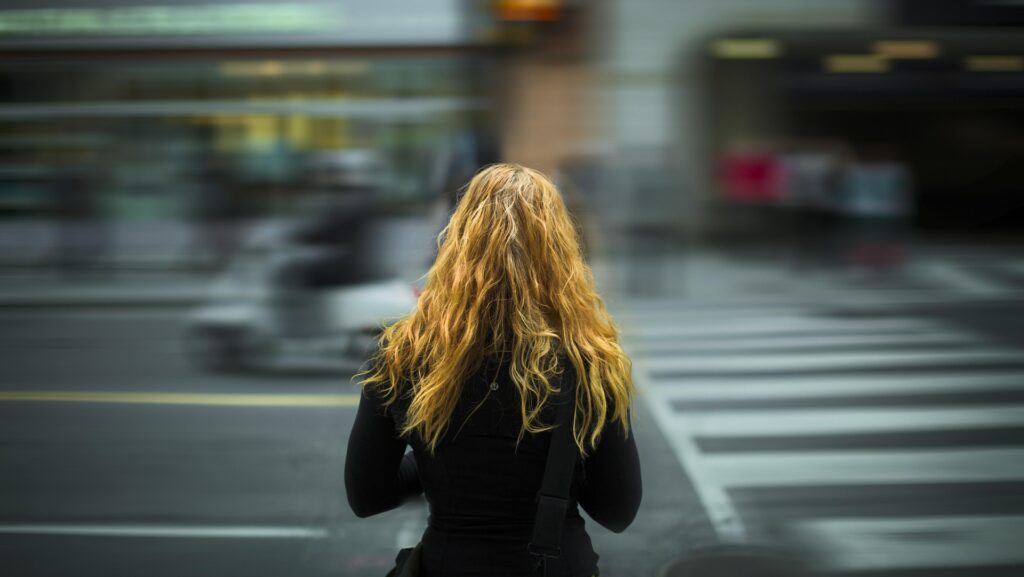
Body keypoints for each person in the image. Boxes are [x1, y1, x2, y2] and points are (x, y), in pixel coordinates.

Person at [345, 164, 642, 577]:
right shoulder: (588, 359)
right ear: (560, 249)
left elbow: (367, 495)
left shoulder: (403, 352)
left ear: (456, 241)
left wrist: (438, 459)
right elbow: (618, 510)